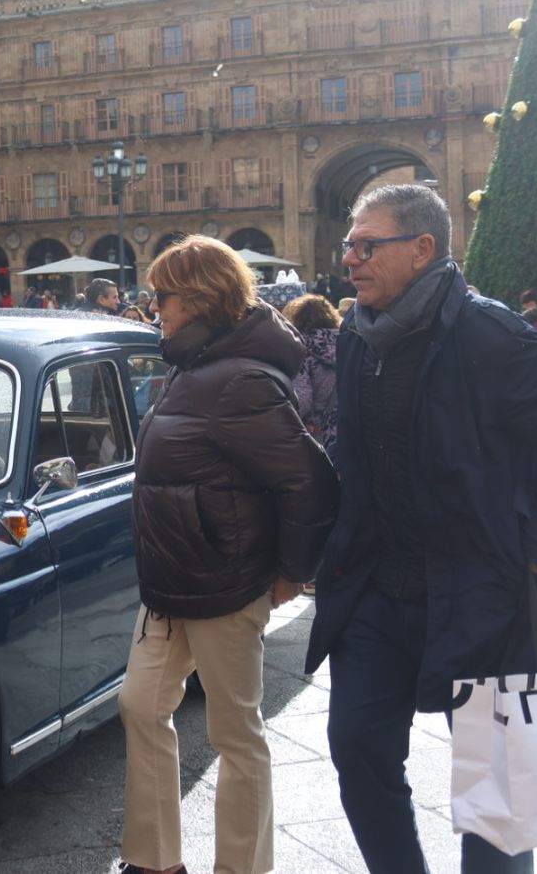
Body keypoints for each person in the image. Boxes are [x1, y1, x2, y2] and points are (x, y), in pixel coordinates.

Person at [305, 183, 537, 874]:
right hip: (376, 592)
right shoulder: (357, 335)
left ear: (422, 248)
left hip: (483, 596)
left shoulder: (495, 338)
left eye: (367, 245)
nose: (350, 259)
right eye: (349, 245)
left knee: (497, 797)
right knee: (357, 748)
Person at [118, 235, 338, 874]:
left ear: (200, 298)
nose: (154, 307)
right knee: (140, 704)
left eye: (163, 296)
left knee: (235, 732)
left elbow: (310, 481)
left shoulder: (238, 379)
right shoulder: (193, 364)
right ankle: (155, 860)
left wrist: (292, 572)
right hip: (170, 579)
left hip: (225, 579)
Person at [282, 293, 341, 453]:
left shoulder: (302, 349)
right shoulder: (348, 342)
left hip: (319, 435)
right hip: (349, 429)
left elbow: (302, 400)